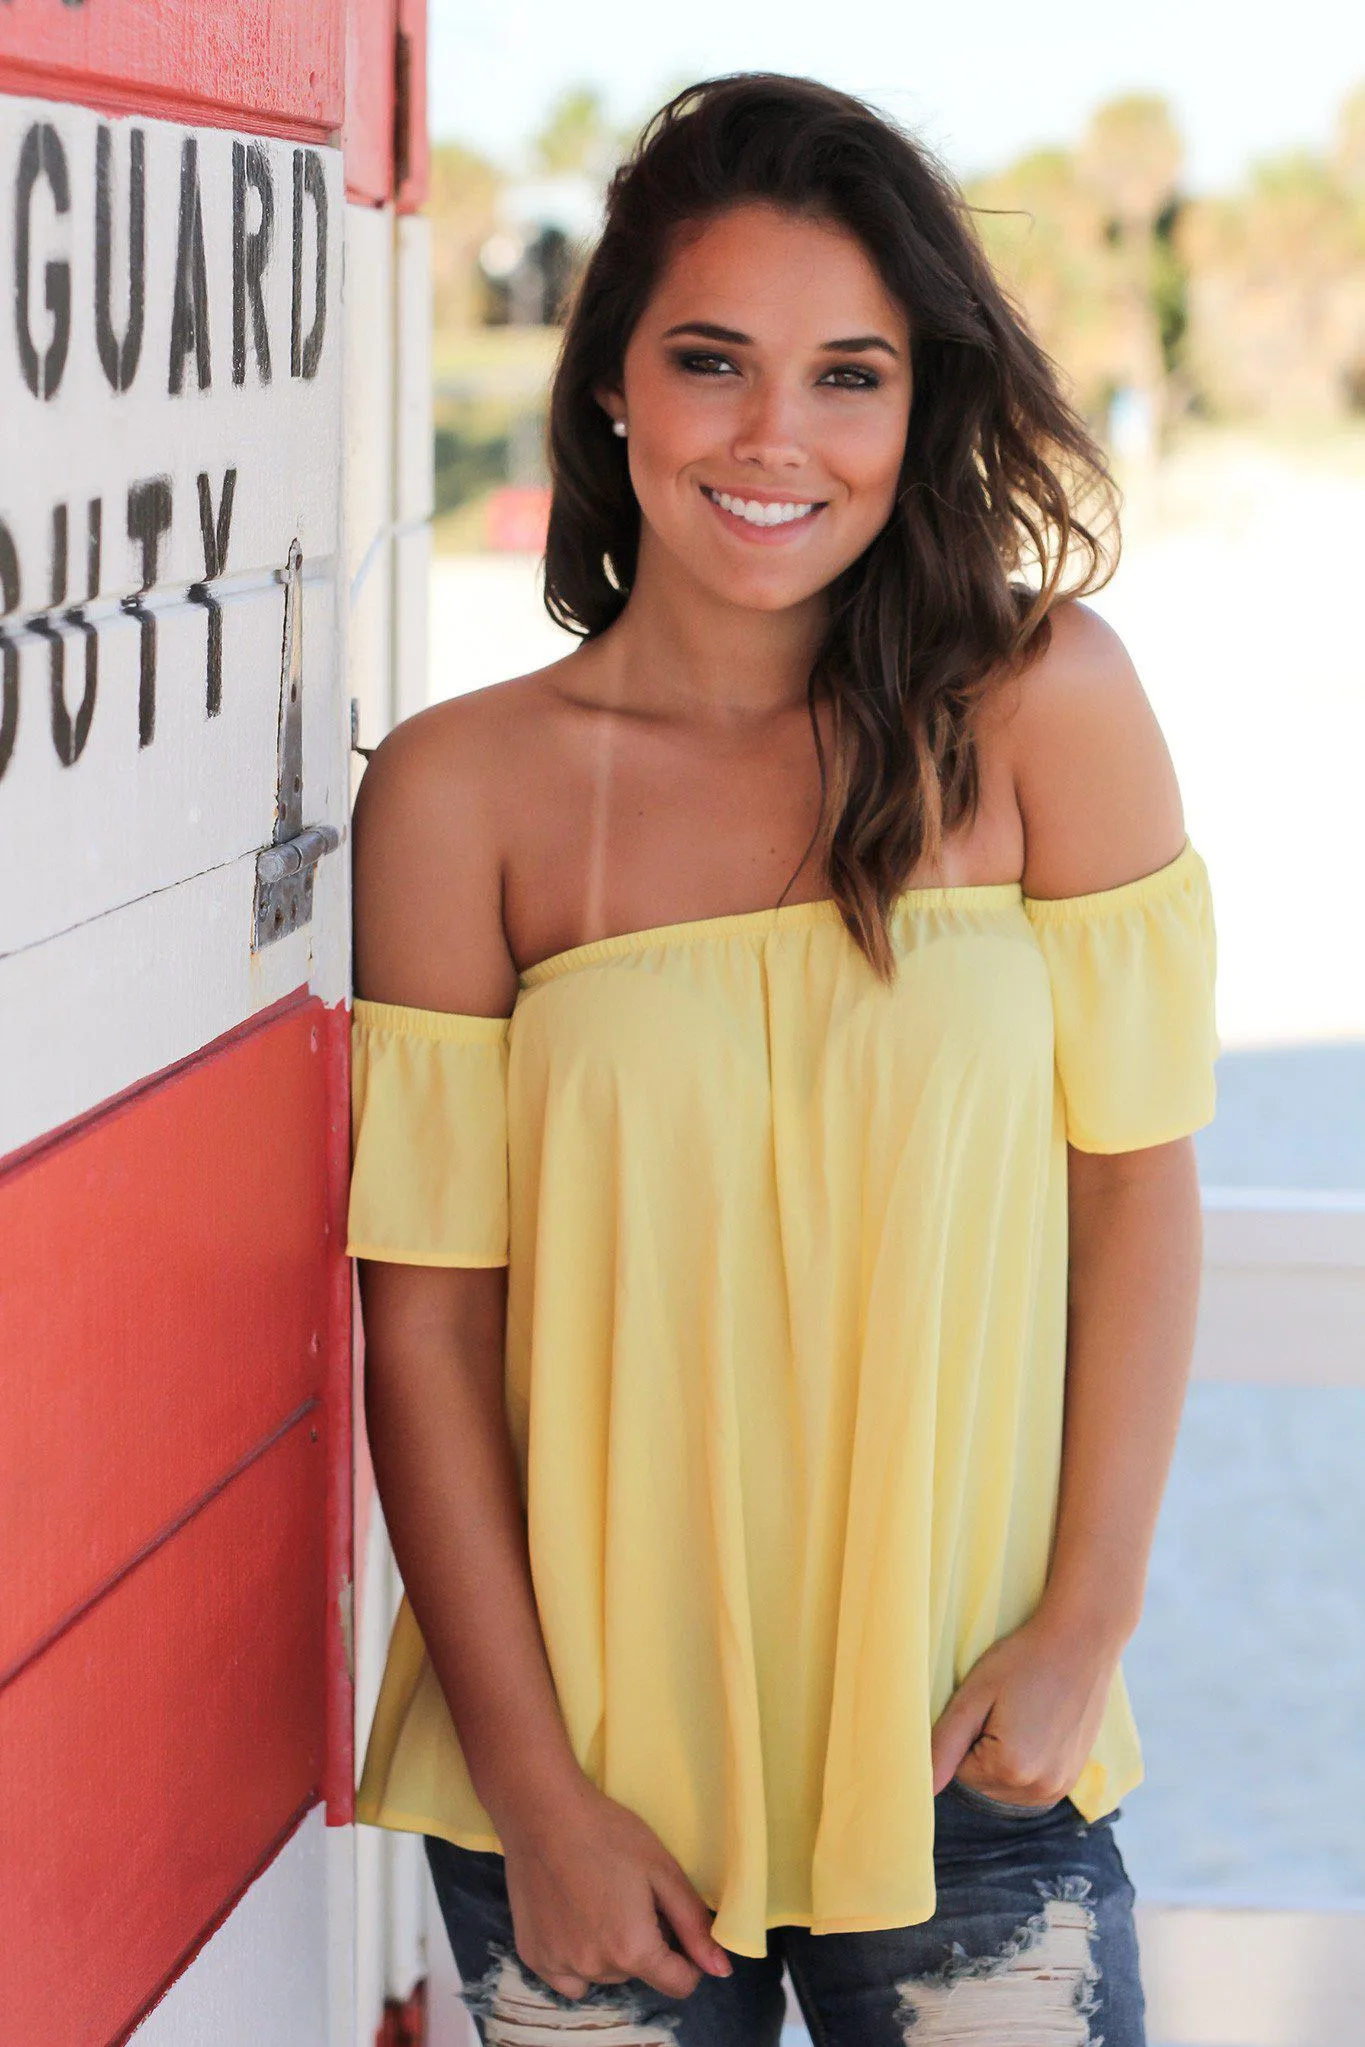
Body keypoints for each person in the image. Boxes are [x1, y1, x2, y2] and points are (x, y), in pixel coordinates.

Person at [346, 73, 1218, 2047]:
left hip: (972, 1744)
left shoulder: (1042, 709)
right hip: (578, 1781)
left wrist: (1085, 1627)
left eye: (849, 376)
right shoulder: (459, 792)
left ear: (919, 414)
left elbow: (1131, 1185)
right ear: (610, 392)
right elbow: (424, 1335)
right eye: (712, 361)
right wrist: (536, 1791)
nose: (773, 439)